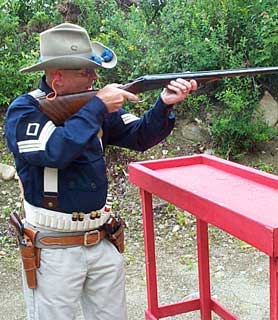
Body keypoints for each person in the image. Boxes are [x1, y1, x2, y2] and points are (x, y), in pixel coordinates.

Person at [5, 22, 197, 320]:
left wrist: (163, 104)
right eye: (86, 71)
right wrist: (96, 108)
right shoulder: (25, 111)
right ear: (57, 77)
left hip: (101, 238)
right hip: (52, 249)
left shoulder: (93, 106)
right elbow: (54, 151)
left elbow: (139, 136)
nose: (95, 77)